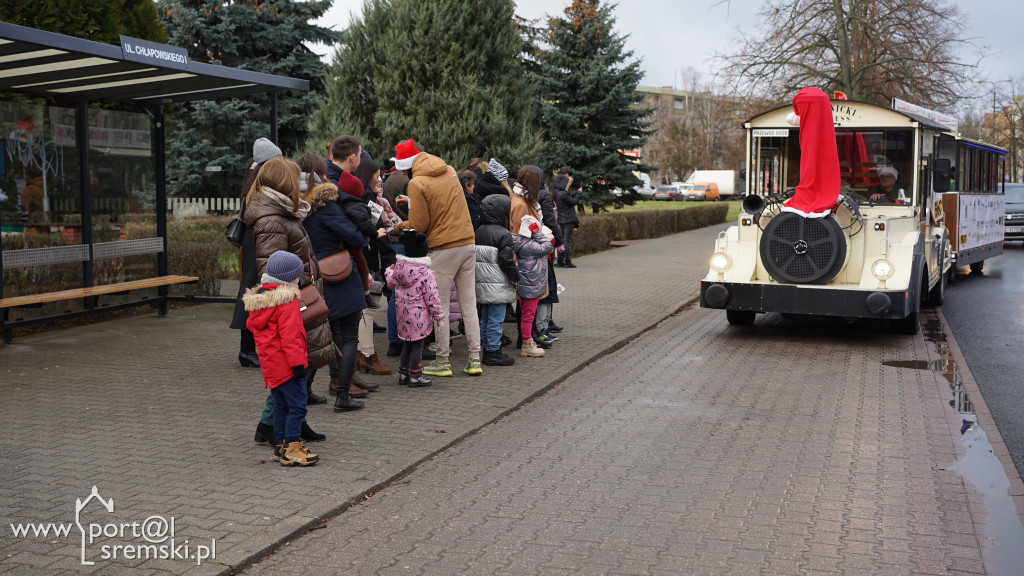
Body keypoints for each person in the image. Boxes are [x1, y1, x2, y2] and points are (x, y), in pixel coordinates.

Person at [245, 156, 333, 446]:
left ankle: (291, 421)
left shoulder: (282, 212)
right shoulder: (272, 218)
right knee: (291, 370)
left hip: (298, 297)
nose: (300, 185)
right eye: (294, 179)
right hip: (291, 302)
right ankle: (271, 426)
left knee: (301, 365)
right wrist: (294, 294)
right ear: (284, 182)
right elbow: (272, 269)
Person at [390, 139, 482, 377]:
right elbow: (443, 203)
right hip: (468, 242)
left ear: (407, 165)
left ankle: (442, 360)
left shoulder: (417, 182)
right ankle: (474, 359)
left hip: (444, 248)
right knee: (469, 304)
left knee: (438, 305)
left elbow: (420, 224)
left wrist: (398, 227)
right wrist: (413, 202)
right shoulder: (449, 170)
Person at [297, 153, 379, 401]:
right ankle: (343, 395)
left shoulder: (300, 204)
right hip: (339, 276)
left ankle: (305, 391)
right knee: (348, 337)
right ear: (321, 175)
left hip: (315, 274)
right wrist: (364, 228)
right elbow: (355, 237)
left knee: (325, 338)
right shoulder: (326, 205)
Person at [243, 250, 319, 466]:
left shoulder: (262, 300)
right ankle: (293, 448)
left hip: (271, 364)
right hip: (287, 364)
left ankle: (281, 447)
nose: (298, 278)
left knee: (280, 405)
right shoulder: (286, 301)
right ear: (288, 277)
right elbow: (291, 336)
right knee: (297, 405)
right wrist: (298, 364)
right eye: (297, 274)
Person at [230, 137, 282, 369]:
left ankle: (250, 349)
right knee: (253, 290)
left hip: (254, 240)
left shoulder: (253, 175)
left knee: (254, 289)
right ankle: (247, 350)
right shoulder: (261, 181)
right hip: (257, 239)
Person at [326, 135, 387, 308]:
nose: (360, 160)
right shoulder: (333, 183)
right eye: (360, 155)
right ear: (352, 158)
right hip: (337, 259)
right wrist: (365, 235)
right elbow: (342, 223)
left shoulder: (336, 178)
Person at [386, 230, 446, 387]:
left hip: (402, 314)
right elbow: (432, 296)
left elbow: (391, 283)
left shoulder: (398, 270)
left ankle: (403, 374)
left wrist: (388, 270)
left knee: (407, 343)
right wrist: (438, 316)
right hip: (418, 315)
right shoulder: (426, 273)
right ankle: (415, 375)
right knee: (417, 346)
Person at [353, 156, 395, 376]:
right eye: (377, 176)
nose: (380, 180)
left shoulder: (358, 199)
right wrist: (390, 262)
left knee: (365, 310)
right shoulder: (367, 201)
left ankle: (362, 355)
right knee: (369, 310)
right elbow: (380, 236)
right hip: (372, 262)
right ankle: (368, 356)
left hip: (366, 260)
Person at [474, 194, 519, 366]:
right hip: (497, 283)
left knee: (485, 317)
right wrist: (515, 277)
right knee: (496, 318)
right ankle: (493, 351)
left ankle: (487, 347)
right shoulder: (504, 234)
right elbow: (507, 260)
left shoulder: (478, 231)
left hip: (481, 282)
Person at [512, 213, 553, 358]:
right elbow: (548, 246)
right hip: (531, 285)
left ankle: (527, 341)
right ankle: (527, 344)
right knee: (528, 316)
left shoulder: (519, 241)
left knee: (525, 314)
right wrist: (538, 232)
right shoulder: (531, 245)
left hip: (525, 284)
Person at [552, 167, 582, 268]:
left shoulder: (557, 193)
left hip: (561, 219)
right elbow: (573, 202)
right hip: (568, 219)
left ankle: (560, 261)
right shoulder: (563, 193)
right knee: (566, 242)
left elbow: (568, 200)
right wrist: (578, 193)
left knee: (561, 241)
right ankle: (567, 262)